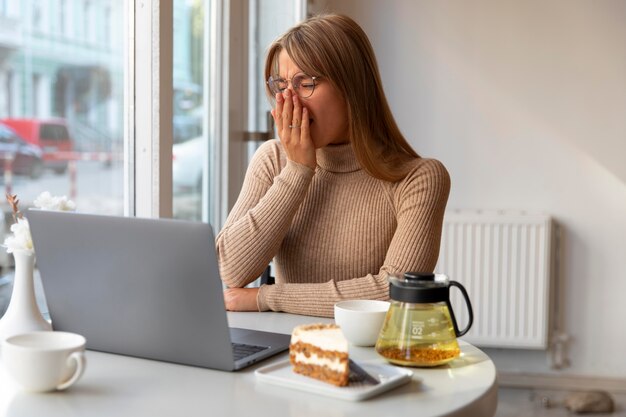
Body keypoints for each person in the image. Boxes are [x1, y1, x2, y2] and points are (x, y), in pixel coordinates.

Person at [216, 13, 450, 318]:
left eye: (305, 83)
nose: (288, 100)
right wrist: (297, 170)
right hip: (288, 353)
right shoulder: (273, 160)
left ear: (352, 87)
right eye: (282, 84)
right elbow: (232, 271)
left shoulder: (419, 178)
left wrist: (267, 297)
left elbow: (394, 294)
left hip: (370, 357)